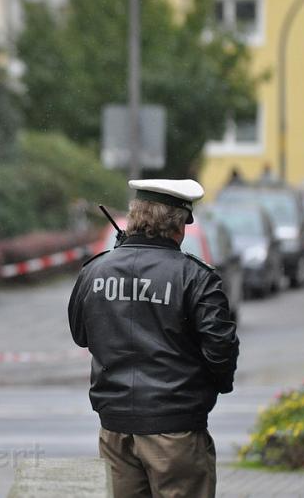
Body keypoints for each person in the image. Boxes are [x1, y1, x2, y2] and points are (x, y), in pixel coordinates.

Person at [68, 179, 239, 498]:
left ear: (134, 219)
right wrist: (209, 390)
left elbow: (81, 335)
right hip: (176, 428)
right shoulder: (196, 277)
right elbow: (220, 349)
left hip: (115, 428)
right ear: (177, 226)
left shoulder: (95, 272)